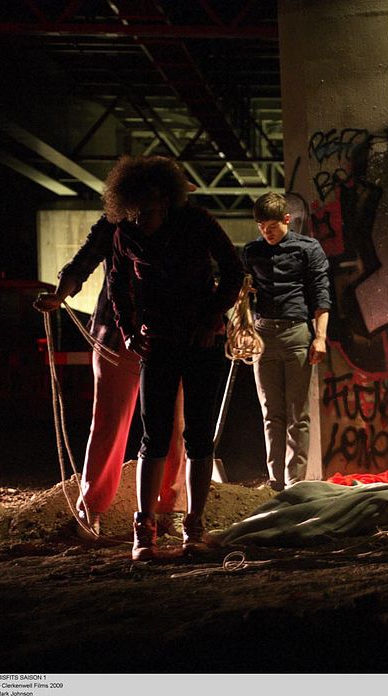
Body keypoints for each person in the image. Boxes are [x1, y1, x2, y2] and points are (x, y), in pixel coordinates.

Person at [105, 155, 244, 560]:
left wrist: (214, 316)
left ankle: (194, 525)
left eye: (145, 212)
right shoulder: (125, 234)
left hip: (202, 342)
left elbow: (234, 271)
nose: (138, 220)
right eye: (130, 213)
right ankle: (144, 527)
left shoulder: (197, 222)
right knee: (153, 436)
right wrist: (129, 332)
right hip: (159, 343)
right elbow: (117, 285)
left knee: (200, 436)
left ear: (164, 200)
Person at [33, 216, 185, 540]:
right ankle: (92, 507)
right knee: (110, 423)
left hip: (166, 337)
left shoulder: (182, 224)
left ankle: (171, 509)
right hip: (117, 338)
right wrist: (60, 296)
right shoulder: (115, 225)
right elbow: (82, 264)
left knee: (173, 425)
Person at [242, 192, 331, 491]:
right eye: (261, 226)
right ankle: (276, 482)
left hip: (297, 335)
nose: (266, 232)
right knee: (271, 413)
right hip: (262, 335)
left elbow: (321, 295)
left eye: (272, 226)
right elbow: (241, 292)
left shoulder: (308, 248)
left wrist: (320, 337)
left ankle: (296, 483)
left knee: (297, 414)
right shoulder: (252, 251)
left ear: (287, 220)